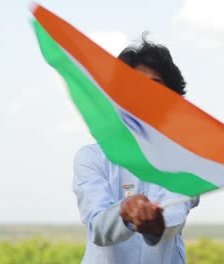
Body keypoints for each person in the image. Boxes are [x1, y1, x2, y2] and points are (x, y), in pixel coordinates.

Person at [73, 36, 199, 264]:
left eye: (154, 89)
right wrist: (125, 211)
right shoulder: (91, 158)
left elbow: (174, 215)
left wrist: (154, 222)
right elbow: (98, 227)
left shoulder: (184, 160)